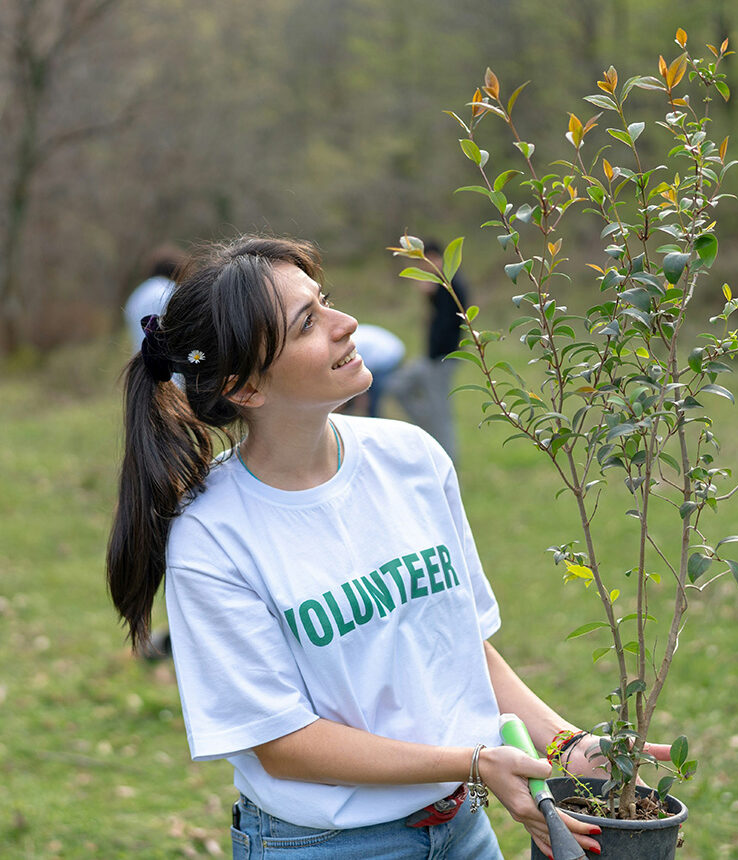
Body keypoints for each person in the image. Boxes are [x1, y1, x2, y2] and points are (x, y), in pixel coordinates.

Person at [106, 236, 668, 859]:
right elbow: (284, 743)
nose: (348, 326)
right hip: (325, 845)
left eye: (327, 302)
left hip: (461, 828)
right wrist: (475, 762)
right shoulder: (213, 536)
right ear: (245, 387)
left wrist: (566, 745)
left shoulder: (411, 457)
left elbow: (460, 644)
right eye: (309, 324)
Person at [121, 242, 188, 660]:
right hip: (170, 400)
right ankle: (173, 633)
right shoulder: (161, 292)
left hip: (153, 401)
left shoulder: (138, 293)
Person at [385, 241, 468, 460]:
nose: (424, 268)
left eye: (425, 262)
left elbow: (451, 318)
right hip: (429, 358)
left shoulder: (451, 283)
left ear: (435, 258)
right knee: (397, 386)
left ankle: (448, 461)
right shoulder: (440, 286)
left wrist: (434, 289)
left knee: (441, 414)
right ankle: (426, 429)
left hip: (443, 359)